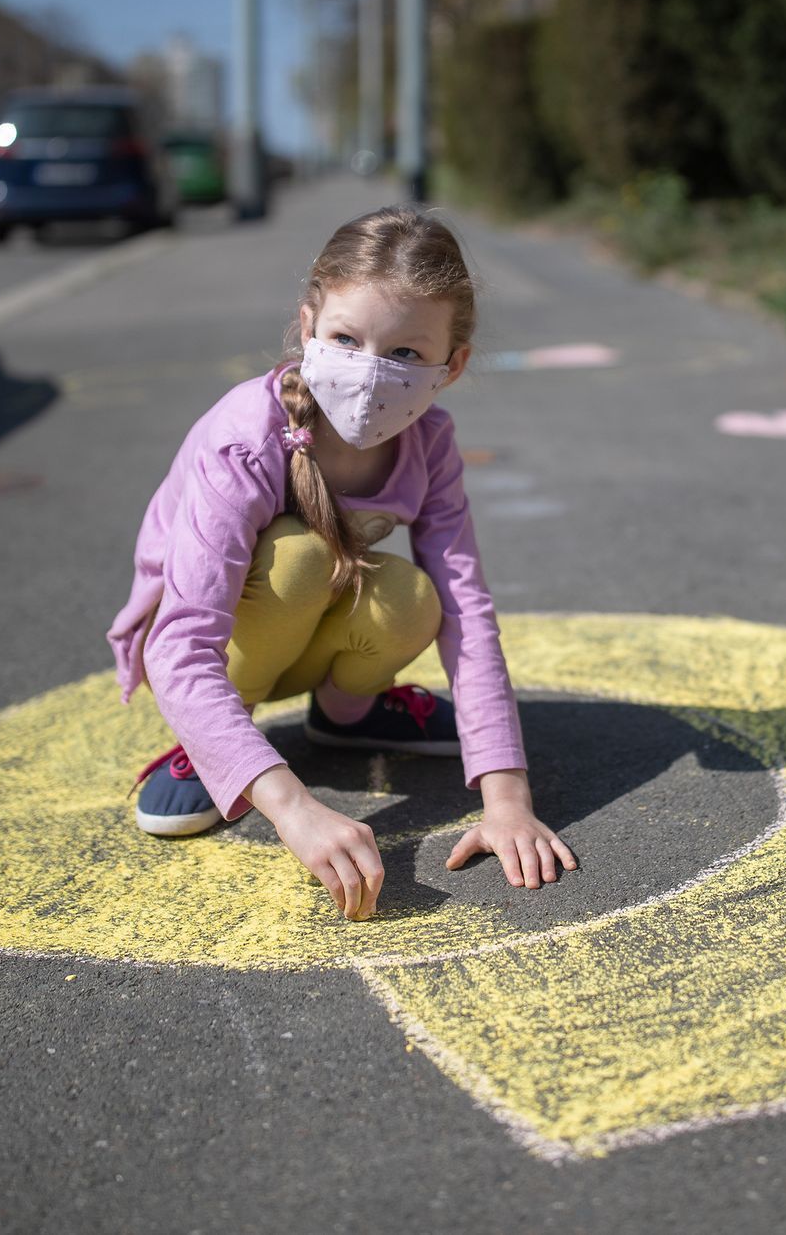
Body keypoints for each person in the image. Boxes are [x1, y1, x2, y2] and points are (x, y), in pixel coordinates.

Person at [107, 206, 576, 921]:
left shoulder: (429, 444)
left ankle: (346, 715)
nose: (370, 371)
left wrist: (508, 799)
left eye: (406, 353)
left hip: (299, 625)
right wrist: (293, 809)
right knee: (299, 557)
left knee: (414, 596)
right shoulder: (246, 439)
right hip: (215, 651)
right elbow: (182, 643)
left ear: (453, 366)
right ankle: (214, 747)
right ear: (308, 328)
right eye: (347, 340)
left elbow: (467, 610)